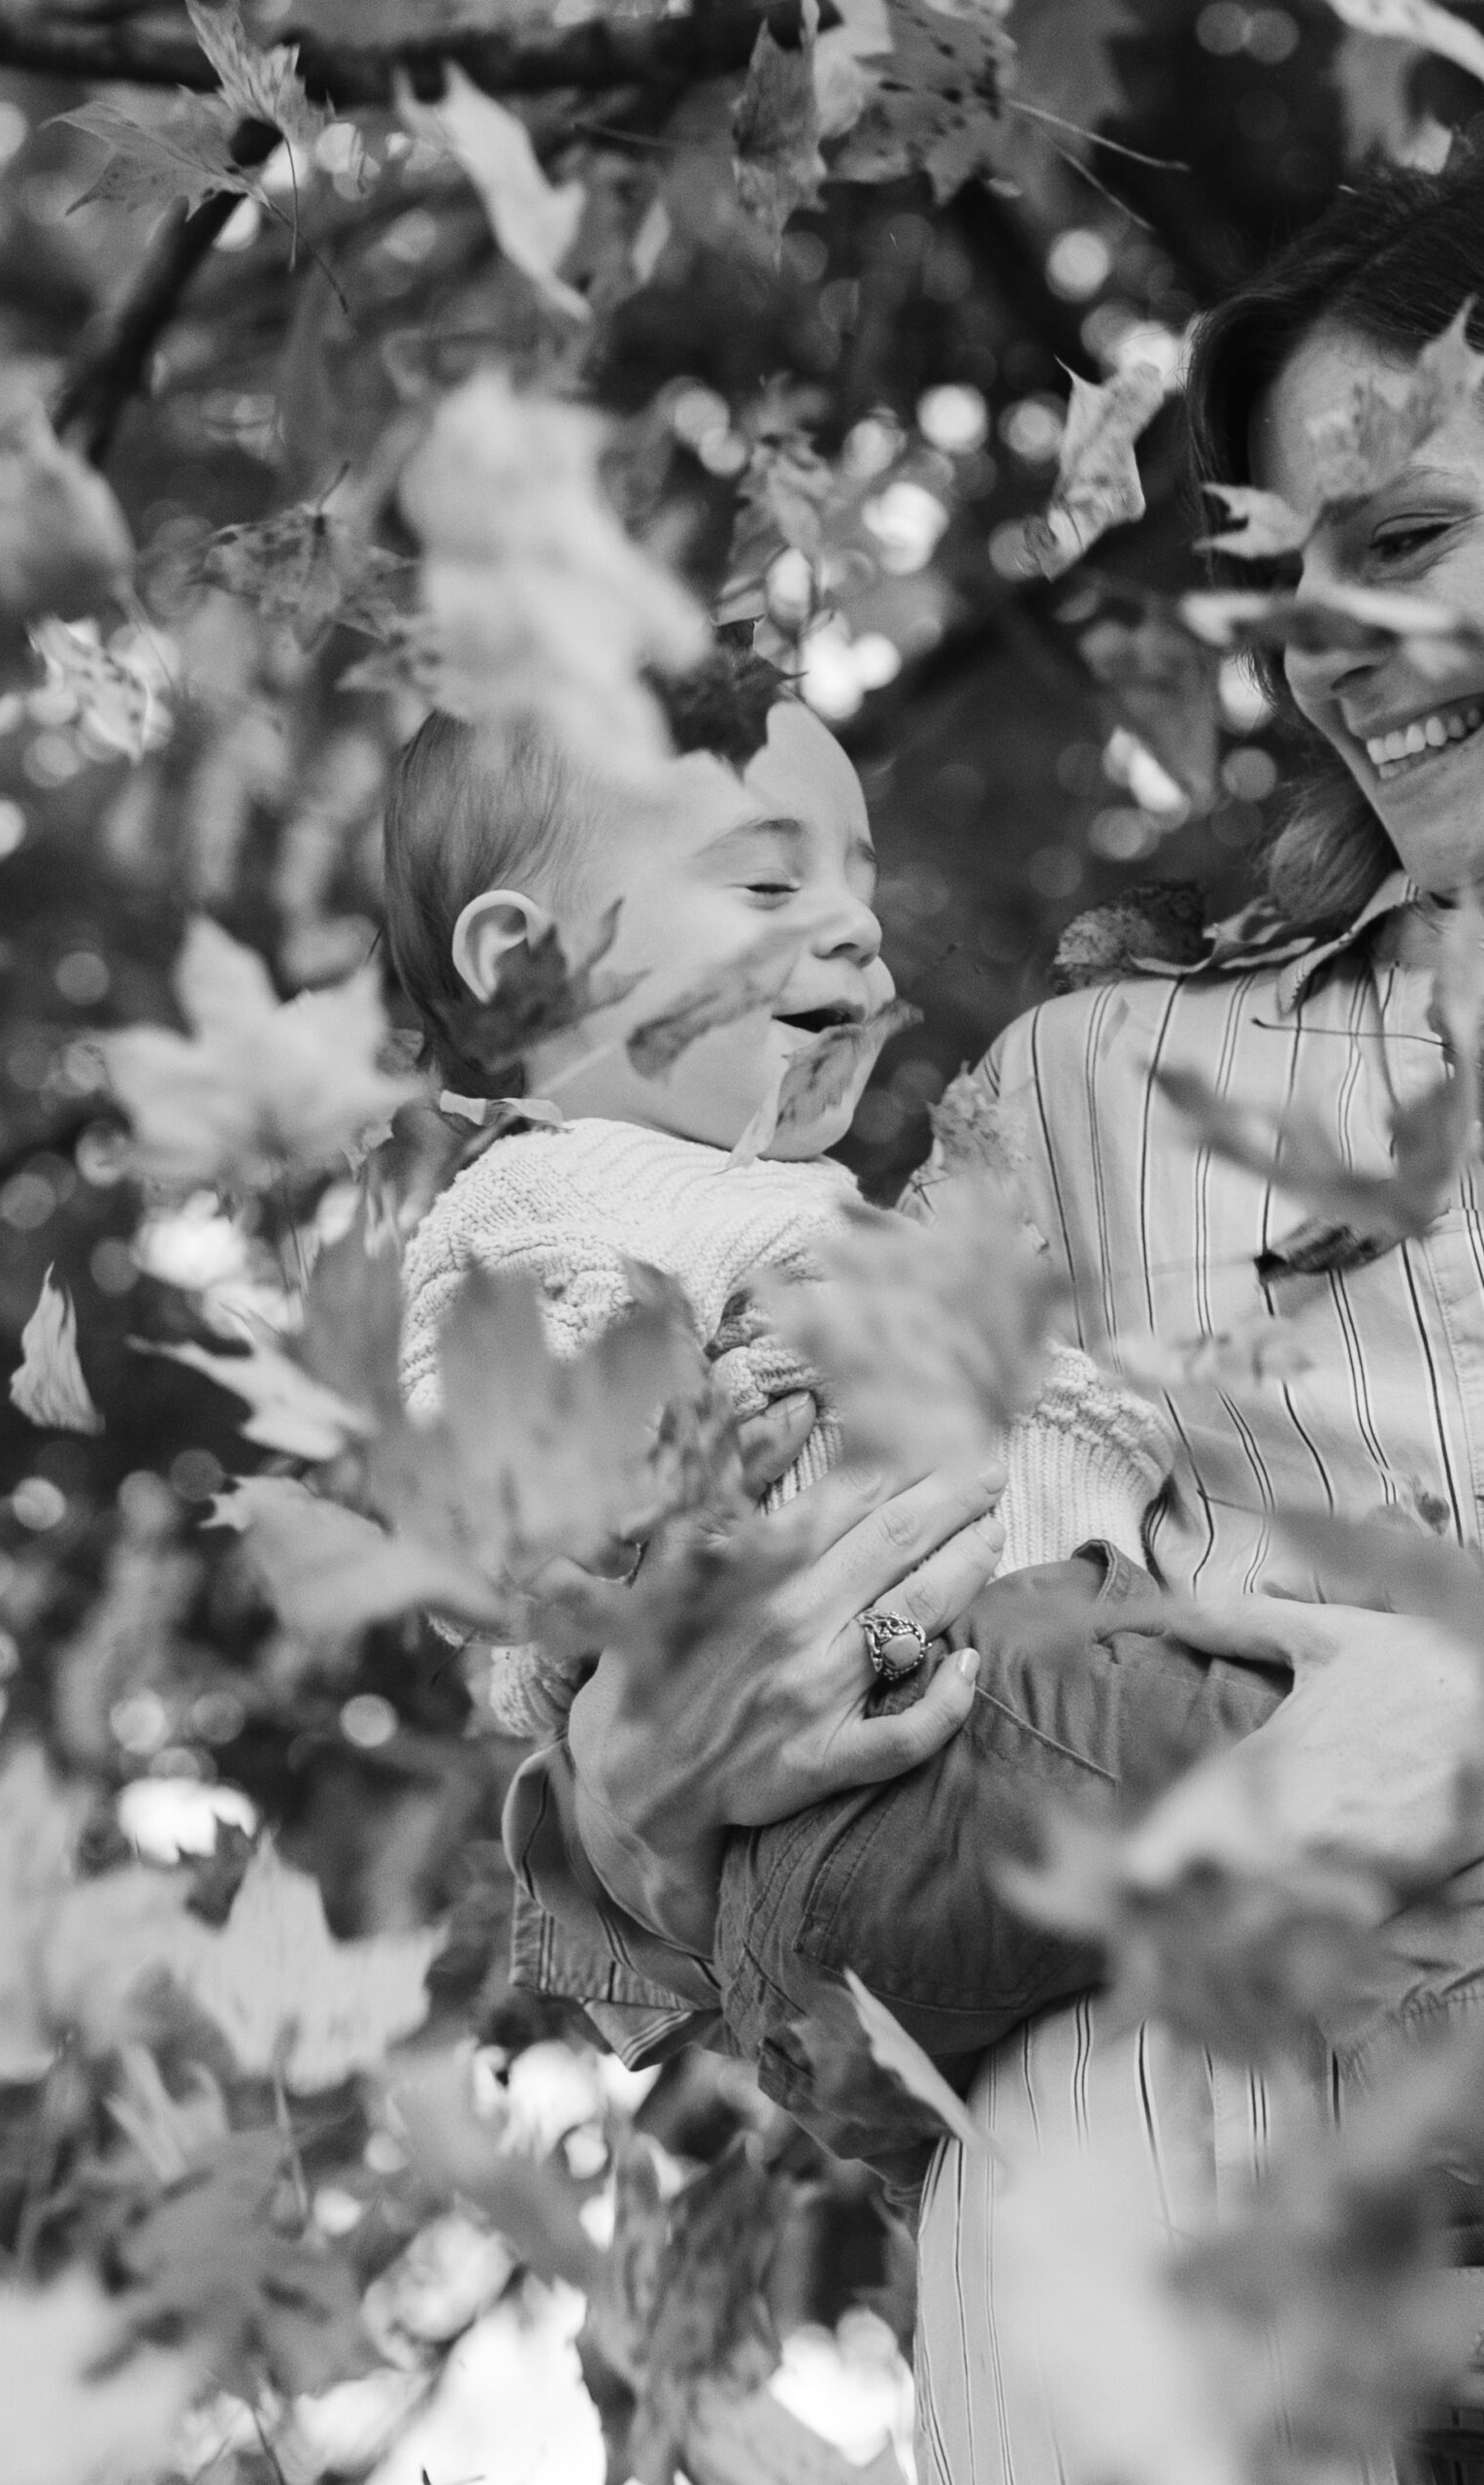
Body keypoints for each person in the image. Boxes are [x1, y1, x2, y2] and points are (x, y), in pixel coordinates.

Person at [506, 155, 1484, 2485]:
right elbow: (775, 1611)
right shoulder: (1098, 1091)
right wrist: (630, 1807)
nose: (1333, 634)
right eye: (1288, 569)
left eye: (1417, 536)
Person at [382, 655, 1374, 2199]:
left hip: (952, 1778)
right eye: (768, 881)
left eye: (857, 880)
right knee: (1334, 1740)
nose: (853, 922)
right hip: (926, 1766)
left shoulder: (771, 1205)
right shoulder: (546, 1199)